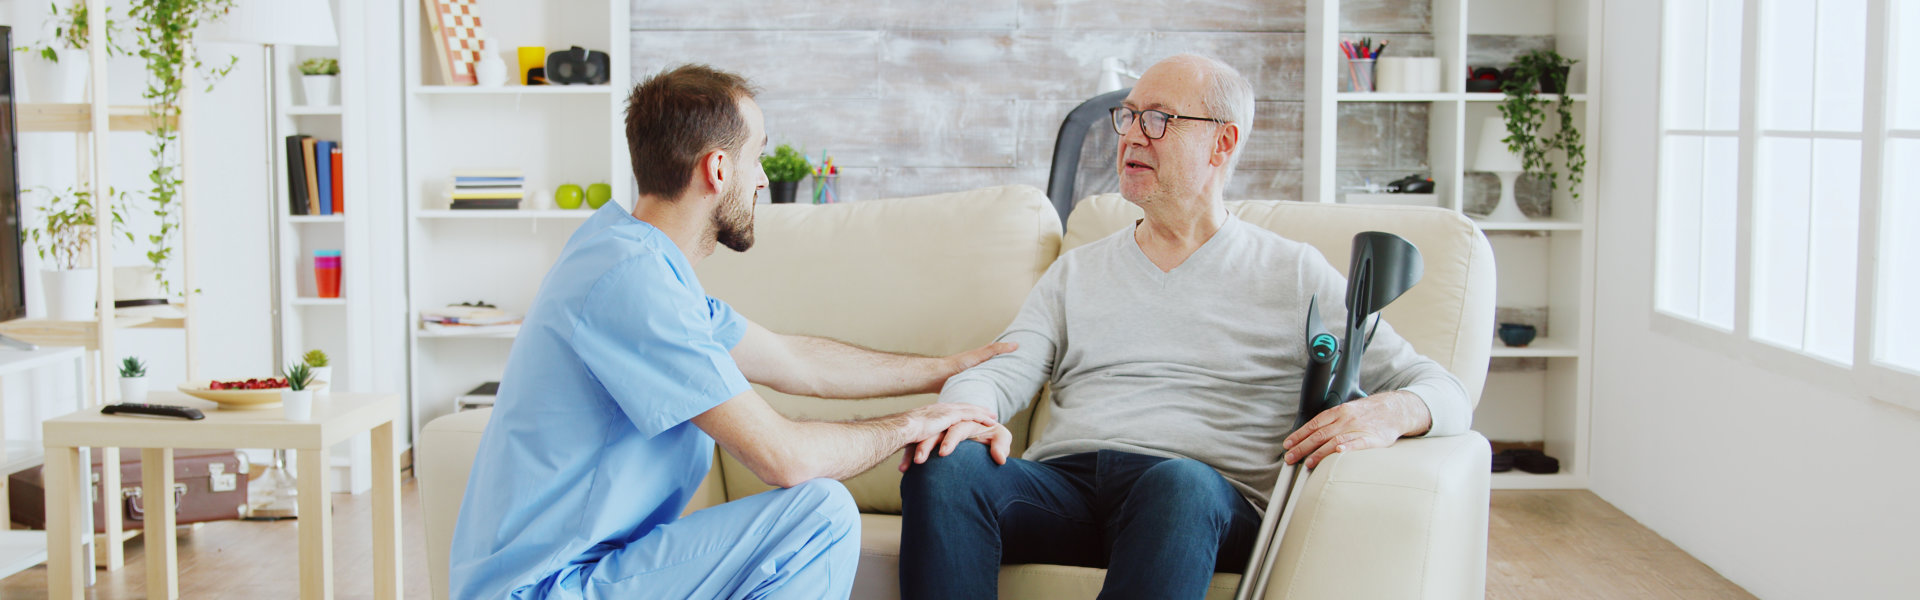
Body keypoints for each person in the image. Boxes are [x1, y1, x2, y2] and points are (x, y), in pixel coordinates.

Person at [896, 54, 1472, 599]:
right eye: (1128, 117)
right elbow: (999, 372)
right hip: (1068, 490)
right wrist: (963, 410)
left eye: (1159, 120)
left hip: (1202, 501)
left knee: (1177, 485)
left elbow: (1442, 389)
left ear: (1222, 142)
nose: (1131, 135)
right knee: (946, 463)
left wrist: (1389, 412)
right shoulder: (1077, 272)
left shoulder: (1294, 273)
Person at [449, 64, 1012, 600]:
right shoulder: (630, 283)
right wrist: (915, 424)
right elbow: (784, 458)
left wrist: (947, 369)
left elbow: (799, 362)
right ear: (718, 169)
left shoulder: (643, 268)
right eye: (757, 157)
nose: (763, 179)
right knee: (819, 514)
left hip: (589, 575)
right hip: (546, 588)